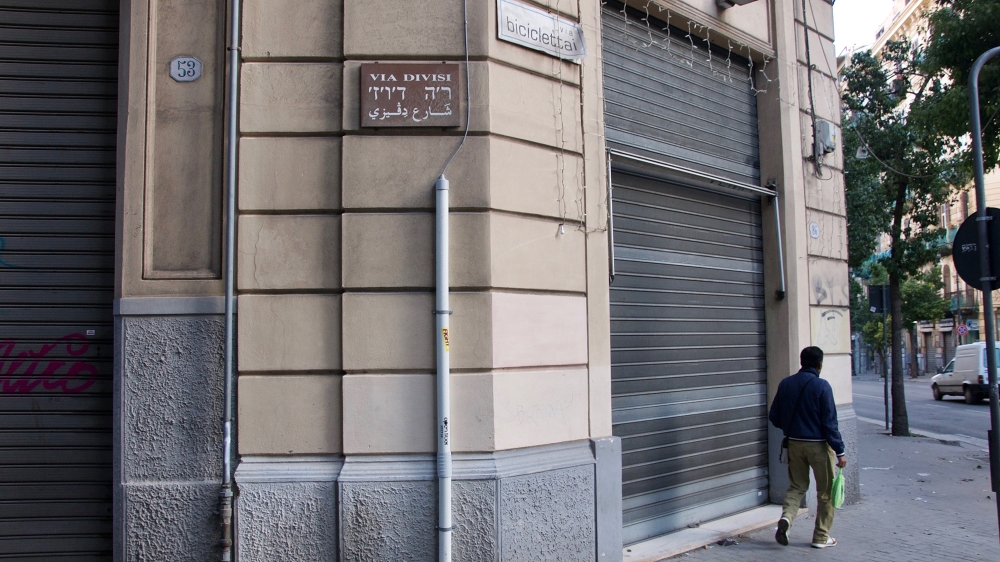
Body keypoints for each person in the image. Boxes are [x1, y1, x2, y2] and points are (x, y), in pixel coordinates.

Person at [768, 346, 848, 549]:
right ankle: (821, 537)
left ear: (801, 362)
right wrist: (840, 451)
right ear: (819, 364)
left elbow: (774, 416)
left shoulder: (786, 384)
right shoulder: (822, 386)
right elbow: (830, 423)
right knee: (825, 492)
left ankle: (786, 518)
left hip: (793, 444)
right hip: (818, 447)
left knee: (796, 487)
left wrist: (791, 427)